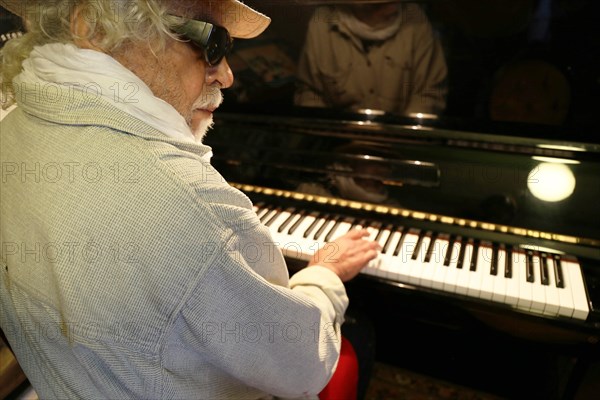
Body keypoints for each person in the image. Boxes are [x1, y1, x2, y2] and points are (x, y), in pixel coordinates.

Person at [0, 1, 381, 399]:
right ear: (93, 28)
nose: (229, 76)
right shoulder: (191, 203)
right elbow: (305, 366)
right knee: (360, 334)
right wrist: (324, 273)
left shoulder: (11, 131)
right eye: (211, 42)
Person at [294, 1, 448, 117]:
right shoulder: (322, 21)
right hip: (340, 145)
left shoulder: (415, 21)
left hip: (399, 145)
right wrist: (336, 139)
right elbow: (309, 93)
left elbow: (428, 94)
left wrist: (399, 138)